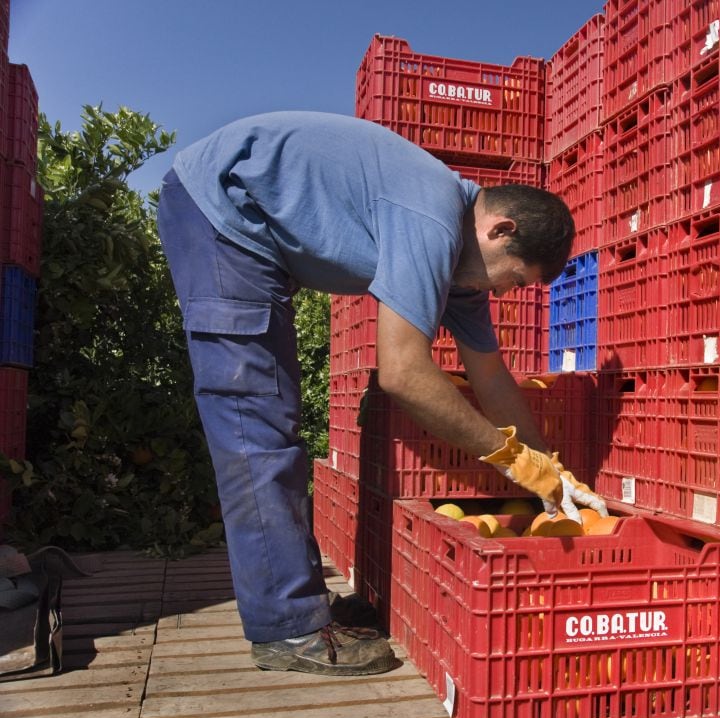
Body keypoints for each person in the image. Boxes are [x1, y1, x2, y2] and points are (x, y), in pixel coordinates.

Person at [155, 111, 608, 677]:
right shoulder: (435, 220)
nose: (506, 293)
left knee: (273, 418)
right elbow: (403, 374)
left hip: (254, 240)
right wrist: (513, 460)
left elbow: (492, 378)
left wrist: (552, 470)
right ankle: (287, 629)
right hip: (221, 220)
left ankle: (298, 603)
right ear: (500, 229)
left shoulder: (461, 270)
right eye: (513, 279)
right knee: (256, 423)